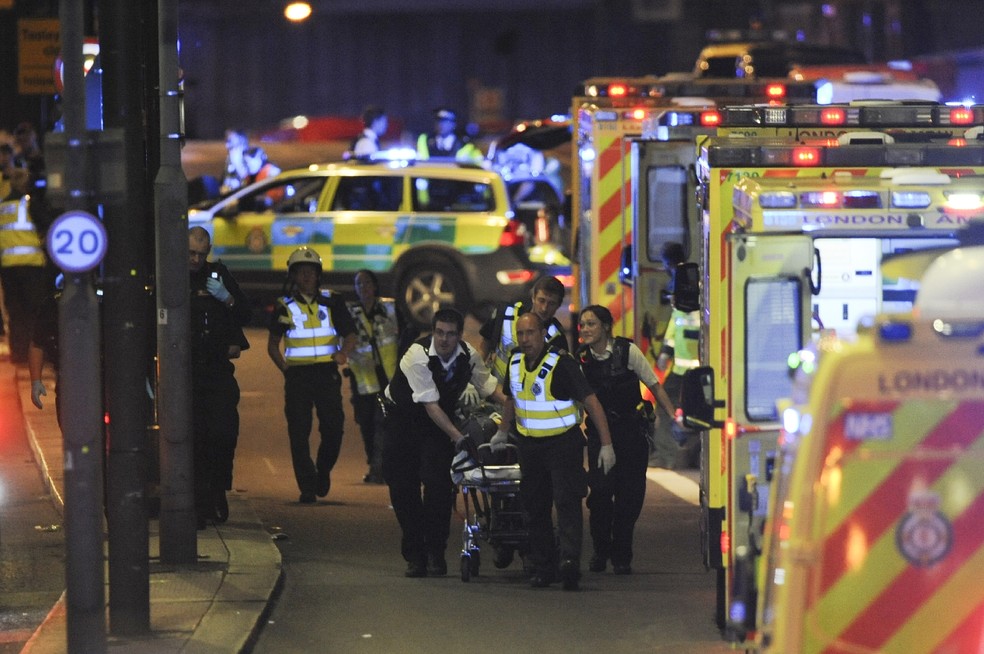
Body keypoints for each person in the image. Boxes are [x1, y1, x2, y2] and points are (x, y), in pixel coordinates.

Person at [492, 312, 613, 591]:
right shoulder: (515, 362)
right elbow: (512, 398)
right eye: (520, 334)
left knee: (567, 503)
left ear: (542, 333)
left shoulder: (561, 363)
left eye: (530, 333)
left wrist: (606, 444)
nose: (525, 340)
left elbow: (592, 403)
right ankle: (543, 566)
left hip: (562, 445)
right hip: (529, 445)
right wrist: (502, 430)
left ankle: (569, 563)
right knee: (535, 507)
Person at [382, 307, 505, 578]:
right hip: (403, 421)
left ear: (460, 336)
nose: (444, 339)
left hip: (438, 424)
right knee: (404, 489)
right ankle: (415, 555)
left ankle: (435, 552)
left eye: (450, 334)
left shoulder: (467, 356)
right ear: (433, 332)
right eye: (439, 332)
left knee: (440, 487)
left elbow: (488, 386)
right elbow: (430, 406)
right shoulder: (418, 355)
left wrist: (513, 408)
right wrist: (459, 438)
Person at [576, 304, 679, 574]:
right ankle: (600, 551)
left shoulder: (627, 351)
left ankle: (622, 556)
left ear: (606, 327)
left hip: (631, 432)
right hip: (600, 434)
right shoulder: (581, 359)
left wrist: (673, 415)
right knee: (599, 494)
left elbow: (654, 385)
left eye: (591, 324)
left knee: (629, 497)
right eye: (583, 325)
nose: (585, 329)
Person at [267, 246, 357, 503]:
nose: (306, 277)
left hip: (326, 373)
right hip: (297, 377)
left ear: (319, 275)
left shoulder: (332, 300)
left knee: (334, 427)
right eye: (301, 272)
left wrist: (343, 353)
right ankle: (307, 486)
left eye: (311, 272)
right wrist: (285, 368)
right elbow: (273, 344)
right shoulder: (284, 305)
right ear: (293, 276)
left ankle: (323, 469)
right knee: (298, 431)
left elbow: (350, 334)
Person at [189, 226, 252, 528]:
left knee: (224, 433)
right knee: (196, 439)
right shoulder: (172, 274)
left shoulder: (218, 275)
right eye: (191, 253)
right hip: (187, 372)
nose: (196, 260)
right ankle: (202, 504)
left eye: (202, 254)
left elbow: (245, 313)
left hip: (217, 370)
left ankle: (218, 490)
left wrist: (227, 298)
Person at [345, 269, 402, 484]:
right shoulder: (350, 313)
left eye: (367, 283)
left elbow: (405, 334)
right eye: (359, 284)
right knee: (366, 424)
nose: (363, 288)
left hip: (388, 378)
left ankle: (380, 468)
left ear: (375, 285)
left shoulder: (389, 308)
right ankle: (374, 462)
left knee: (384, 424)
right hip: (363, 381)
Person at [654, 241, 701, 469]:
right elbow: (677, 323)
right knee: (697, 411)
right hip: (692, 368)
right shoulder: (692, 280)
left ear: (669, 263)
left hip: (687, 368)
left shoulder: (682, 283)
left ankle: (668, 456)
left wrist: (665, 353)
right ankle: (687, 455)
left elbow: (681, 323)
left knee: (666, 406)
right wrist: (666, 350)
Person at [480, 275, 568, 383]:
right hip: (493, 390)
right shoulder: (506, 314)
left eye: (551, 303)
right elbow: (485, 345)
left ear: (558, 306)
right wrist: (478, 376)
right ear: (533, 298)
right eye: (541, 300)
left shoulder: (557, 337)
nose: (544, 308)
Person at [0, 168, 46, 364]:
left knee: (15, 312)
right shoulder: (28, 203)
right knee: (33, 312)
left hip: (9, 267)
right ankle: (32, 353)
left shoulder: (3, 206)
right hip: (31, 265)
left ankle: (18, 354)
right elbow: (45, 227)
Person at [415, 107, 482, 162]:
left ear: (453, 124)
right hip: (429, 176)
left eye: (446, 122)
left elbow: (479, 161)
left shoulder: (464, 144)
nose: (441, 125)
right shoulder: (425, 140)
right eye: (439, 121)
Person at [220, 128, 249, 194]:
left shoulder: (248, 159)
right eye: (226, 141)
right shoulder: (230, 158)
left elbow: (247, 180)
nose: (227, 145)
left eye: (230, 141)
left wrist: (237, 163)